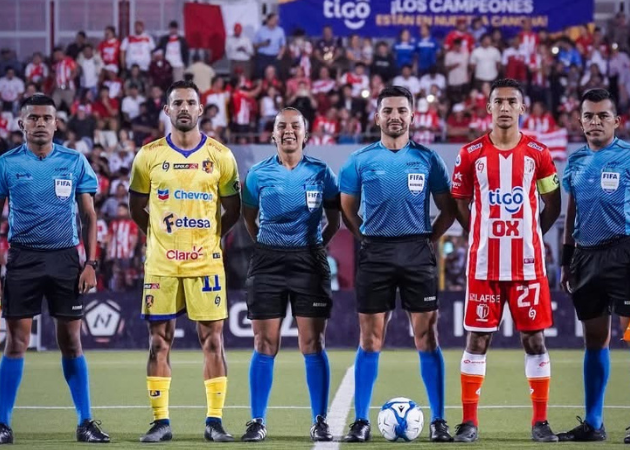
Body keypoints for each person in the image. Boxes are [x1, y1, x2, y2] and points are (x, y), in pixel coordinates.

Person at [0, 94, 109, 444]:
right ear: (21, 123)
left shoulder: (74, 160)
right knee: (16, 342)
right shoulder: (6, 164)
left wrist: (90, 263)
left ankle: (85, 422)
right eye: (33, 117)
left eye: (46, 117)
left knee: (71, 342)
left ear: (56, 123)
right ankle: (2, 424)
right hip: (22, 259)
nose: (40, 123)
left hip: (66, 259)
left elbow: (89, 216)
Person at [338, 86, 456, 443]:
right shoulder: (359, 160)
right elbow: (347, 208)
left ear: (412, 116)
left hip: (417, 252)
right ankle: (360, 421)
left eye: (401, 110)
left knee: (427, 337)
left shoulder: (428, 159)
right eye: (388, 110)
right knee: (370, 339)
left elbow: (448, 208)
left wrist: (428, 239)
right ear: (377, 117)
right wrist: (365, 238)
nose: (395, 116)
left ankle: (438, 421)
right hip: (375, 253)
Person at [449, 78, 562, 443]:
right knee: (477, 340)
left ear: (522, 108)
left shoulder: (539, 154)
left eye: (512, 101)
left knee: (534, 340)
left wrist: (531, 234)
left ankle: (540, 422)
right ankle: (469, 423)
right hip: (484, 265)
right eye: (498, 101)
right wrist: (478, 232)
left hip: (528, 266)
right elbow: (459, 202)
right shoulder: (470, 154)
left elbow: (554, 203)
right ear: (489, 107)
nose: (505, 108)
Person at [128, 80, 241, 443]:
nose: (184, 109)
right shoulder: (148, 156)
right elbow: (136, 206)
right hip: (161, 265)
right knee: (159, 342)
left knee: (213, 341)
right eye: (177, 102)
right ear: (166, 109)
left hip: (205, 264)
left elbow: (233, 209)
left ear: (201, 108)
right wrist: (160, 236)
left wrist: (208, 237)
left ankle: (215, 420)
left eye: (191, 102)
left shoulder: (221, 156)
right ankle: (160, 421)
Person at [558, 88, 630, 444]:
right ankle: (593, 423)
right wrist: (566, 259)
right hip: (585, 257)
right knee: (594, 340)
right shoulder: (574, 161)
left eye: (603, 115)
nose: (595, 122)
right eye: (588, 116)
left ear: (616, 121)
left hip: (624, 254)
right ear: (580, 120)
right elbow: (571, 212)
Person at [240, 107, 341, 442]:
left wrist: (313, 248)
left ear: (305, 133)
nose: (288, 131)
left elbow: (334, 220)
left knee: (313, 342)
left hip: (309, 262)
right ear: (272, 133)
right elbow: (249, 217)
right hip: (268, 261)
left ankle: (320, 419)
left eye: (295, 126)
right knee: (264, 342)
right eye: (281, 126)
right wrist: (270, 245)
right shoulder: (257, 174)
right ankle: (257, 421)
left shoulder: (322, 173)